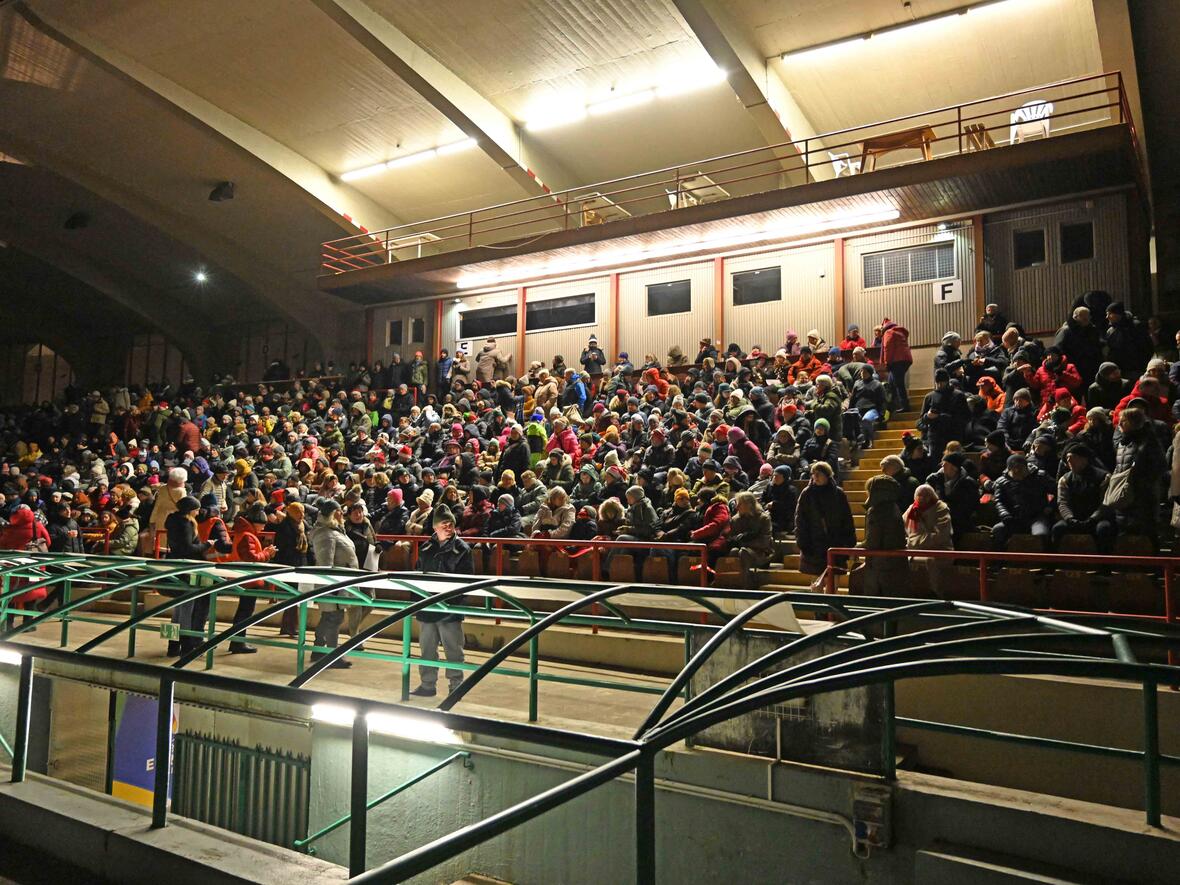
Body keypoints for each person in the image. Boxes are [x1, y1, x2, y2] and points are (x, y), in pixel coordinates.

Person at [412, 504, 472, 697]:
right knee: (427, 649)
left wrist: (452, 604)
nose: (448, 527)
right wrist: (417, 604)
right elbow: (417, 576)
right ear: (435, 527)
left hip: (449, 610)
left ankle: (456, 686)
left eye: (450, 524)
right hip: (428, 607)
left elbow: (467, 582)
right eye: (443, 524)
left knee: (453, 650)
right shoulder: (426, 548)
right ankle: (427, 685)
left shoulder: (462, 549)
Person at [309, 500, 358, 668]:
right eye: (339, 511)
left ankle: (318, 650)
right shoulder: (325, 534)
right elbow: (325, 564)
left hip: (340, 584)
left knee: (329, 617)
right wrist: (332, 587)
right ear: (331, 514)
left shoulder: (334, 531)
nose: (342, 514)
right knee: (334, 618)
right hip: (333, 586)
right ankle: (331, 655)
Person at [227, 504, 278, 654]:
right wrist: (267, 554)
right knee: (245, 612)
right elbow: (250, 558)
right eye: (262, 525)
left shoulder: (243, 533)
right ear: (255, 523)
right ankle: (237, 642)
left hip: (243, 577)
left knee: (244, 611)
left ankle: (237, 641)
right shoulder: (248, 536)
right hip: (248, 578)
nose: (263, 528)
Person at [164, 495, 211, 654]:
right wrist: (206, 545)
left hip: (175, 566)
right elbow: (188, 548)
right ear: (190, 510)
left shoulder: (172, 521)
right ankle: (186, 646)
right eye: (196, 510)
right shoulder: (186, 524)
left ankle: (172, 645)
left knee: (177, 609)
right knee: (186, 607)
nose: (198, 513)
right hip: (186, 569)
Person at [794, 461, 856, 575]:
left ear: (827, 475)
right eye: (813, 474)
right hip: (813, 543)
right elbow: (800, 519)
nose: (815, 477)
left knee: (835, 575)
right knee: (816, 580)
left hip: (835, 541)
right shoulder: (807, 494)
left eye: (819, 473)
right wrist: (803, 542)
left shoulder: (838, 493)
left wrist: (848, 542)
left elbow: (847, 519)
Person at [1053, 444, 1115, 551]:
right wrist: (1070, 518)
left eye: (1073, 458)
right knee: (1057, 529)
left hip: (1096, 519)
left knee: (1104, 529)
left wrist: (1093, 519)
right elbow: (1062, 502)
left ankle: (1104, 565)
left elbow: (1105, 503)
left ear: (1084, 459)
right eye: (1068, 459)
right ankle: (1053, 564)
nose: (1069, 461)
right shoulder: (1065, 479)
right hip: (1074, 519)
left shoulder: (1104, 477)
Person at [991, 455, 1055, 550]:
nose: (1019, 474)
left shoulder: (1040, 476)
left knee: (1041, 535)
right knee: (998, 530)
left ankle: (1046, 562)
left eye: (1021, 470)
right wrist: (1005, 515)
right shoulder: (1001, 482)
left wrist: (1050, 506)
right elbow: (999, 501)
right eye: (1015, 471)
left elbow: (1057, 492)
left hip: (1037, 517)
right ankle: (999, 561)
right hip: (1013, 517)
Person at [861, 474, 908, 595]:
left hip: (880, 566)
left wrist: (859, 548)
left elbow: (873, 541)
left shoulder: (876, 511)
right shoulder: (894, 507)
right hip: (896, 564)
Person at [904, 484, 953, 597]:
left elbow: (941, 536)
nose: (922, 498)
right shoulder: (912, 509)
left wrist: (913, 541)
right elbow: (901, 527)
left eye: (925, 495)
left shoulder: (940, 508)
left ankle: (937, 594)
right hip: (914, 550)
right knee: (899, 559)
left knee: (930, 560)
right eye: (919, 495)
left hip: (940, 550)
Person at [274, 501, 310, 638]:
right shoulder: (284, 527)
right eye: (298, 512)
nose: (301, 515)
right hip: (289, 565)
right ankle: (291, 627)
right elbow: (281, 547)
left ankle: (288, 626)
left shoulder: (304, 526)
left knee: (296, 596)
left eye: (302, 512)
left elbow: (309, 546)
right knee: (292, 596)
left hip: (301, 563)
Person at [726, 492, 774, 590]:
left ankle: (746, 587)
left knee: (744, 552)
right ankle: (733, 583)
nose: (737, 506)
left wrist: (744, 541)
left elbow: (764, 542)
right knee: (734, 551)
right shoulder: (735, 520)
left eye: (740, 503)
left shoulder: (763, 518)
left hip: (761, 553)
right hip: (742, 550)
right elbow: (731, 538)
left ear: (749, 504)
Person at [880, 319, 913, 412]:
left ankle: (905, 406)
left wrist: (886, 362)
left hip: (897, 360)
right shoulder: (899, 332)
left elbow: (888, 348)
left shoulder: (888, 332)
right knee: (892, 383)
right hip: (905, 360)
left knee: (899, 383)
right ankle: (893, 405)